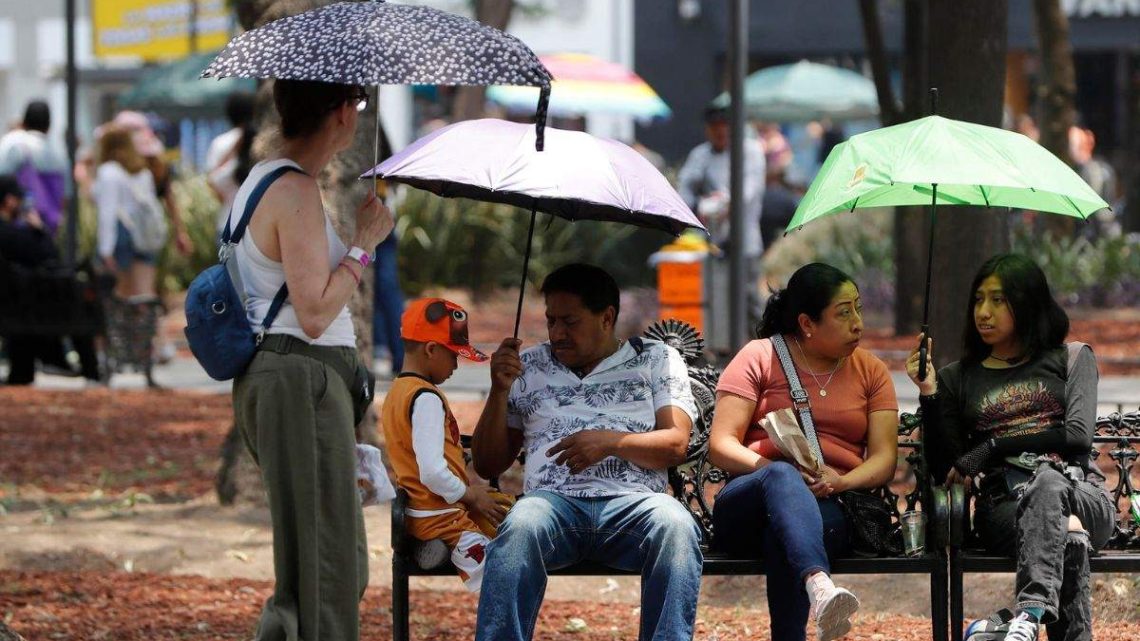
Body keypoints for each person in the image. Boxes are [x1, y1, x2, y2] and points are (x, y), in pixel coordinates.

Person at [230, 79, 393, 641]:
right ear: (343, 112)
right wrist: (364, 243)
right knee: (324, 566)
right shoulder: (292, 190)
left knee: (330, 558)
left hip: (297, 382)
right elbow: (316, 311)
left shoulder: (264, 182)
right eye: (359, 103)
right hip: (298, 378)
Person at [471, 263, 703, 641]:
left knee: (676, 526)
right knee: (520, 526)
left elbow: (676, 442)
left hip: (636, 506)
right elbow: (487, 463)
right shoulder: (528, 365)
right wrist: (499, 391)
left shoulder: (656, 358)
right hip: (552, 507)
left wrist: (610, 442)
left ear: (606, 317)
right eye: (551, 321)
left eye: (570, 322)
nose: (557, 333)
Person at [906, 254, 1115, 641]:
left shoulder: (1071, 358)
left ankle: (1029, 613)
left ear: (1027, 301)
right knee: (1069, 534)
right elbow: (946, 468)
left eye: (998, 300)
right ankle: (1031, 617)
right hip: (1006, 508)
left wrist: (994, 444)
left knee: (1051, 486)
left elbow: (1078, 437)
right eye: (979, 300)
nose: (983, 312)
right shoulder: (958, 378)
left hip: (1082, 494)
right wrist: (929, 393)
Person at [708, 262, 899, 641]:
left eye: (858, 308)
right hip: (748, 500)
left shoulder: (871, 371)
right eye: (843, 313)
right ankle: (818, 581)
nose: (858, 322)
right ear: (807, 324)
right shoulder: (759, 356)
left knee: (787, 533)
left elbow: (884, 460)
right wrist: (772, 470)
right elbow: (721, 445)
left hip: (828, 506)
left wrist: (840, 481)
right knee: (781, 476)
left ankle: (816, 591)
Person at [380, 297, 512, 591]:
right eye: (453, 355)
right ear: (430, 349)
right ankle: (445, 546)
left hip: (421, 513)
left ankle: (431, 546)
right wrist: (471, 496)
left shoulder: (398, 392)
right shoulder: (425, 398)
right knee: (504, 572)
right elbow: (431, 473)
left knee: (505, 508)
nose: (456, 364)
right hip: (442, 517)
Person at [0, 175, 100, 384]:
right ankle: (79, 367)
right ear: (9, 201)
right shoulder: (16, 234)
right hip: (31, 309)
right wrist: (40, 230)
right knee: (76, 301)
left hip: (16, 309)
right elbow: (50, 254)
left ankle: (28, 368)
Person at [677, 106, 766, 323]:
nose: (720, 132)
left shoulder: (751, 151)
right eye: (715, 128)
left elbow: (747, 191)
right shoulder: (700, 155)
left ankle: (763, 349)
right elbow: (684, 190)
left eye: (725, 127)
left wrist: (722, 202)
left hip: (744, 241)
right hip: (708, 243)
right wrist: (700, 203)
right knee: (714, 301)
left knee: (749, 300)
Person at [91, 126, 163, 300]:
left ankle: (126, 327)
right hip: (145, 233)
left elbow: (107, 212)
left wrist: (105, 250)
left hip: (121, 234)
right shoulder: (143, 172)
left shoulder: (109, 171)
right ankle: (147, 325)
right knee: (144, 292)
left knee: (120, 293)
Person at [0, 100, 67, 235]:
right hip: (49, 229)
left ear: (23, 123)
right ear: (49, 126)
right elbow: (66, 196)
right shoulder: (60, 155)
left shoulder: (16, 147)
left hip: (20, 227)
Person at [207, 91, 256, 232]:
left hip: (228, 222)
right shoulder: (262, 141)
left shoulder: (219, 143)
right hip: (258, 229)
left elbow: (212, 182)